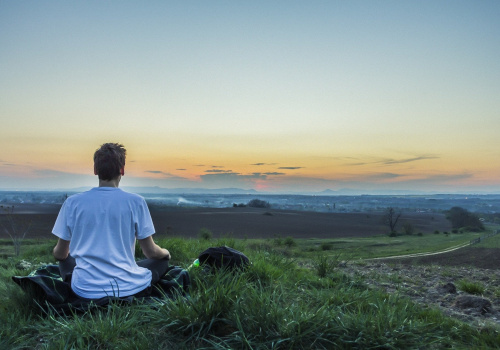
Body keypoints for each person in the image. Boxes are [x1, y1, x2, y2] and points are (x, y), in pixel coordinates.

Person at [52, 143, 171, 299]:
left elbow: (60, 254)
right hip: (128, 287)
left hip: (85, 289)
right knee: (161, 262)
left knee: (65, 260)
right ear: (122, 170)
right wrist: (166, 253)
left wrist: (66, 256)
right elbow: (150, 252)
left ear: (95, 170)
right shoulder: (136, 202)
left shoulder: (73, 203)